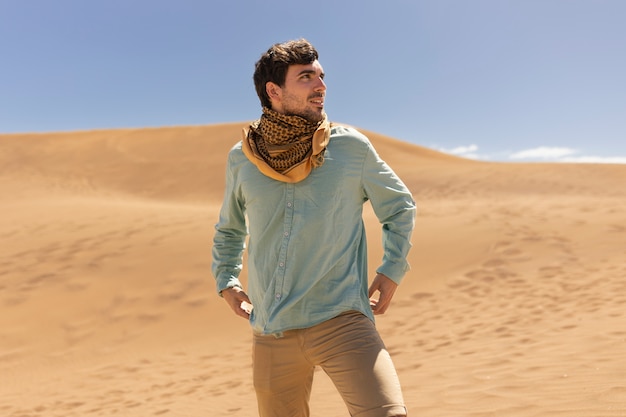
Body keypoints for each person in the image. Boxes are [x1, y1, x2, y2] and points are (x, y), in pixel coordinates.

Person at [212, 38, 416, 417]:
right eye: (306, 77)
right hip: (272, 329)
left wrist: (392, 270)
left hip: (342, 321)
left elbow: (399, 206)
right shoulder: (242, 158)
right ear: (274, 90)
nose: (321, 86)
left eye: (321, 76)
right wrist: (226, 281)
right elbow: (230, 228)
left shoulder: (350, 147)